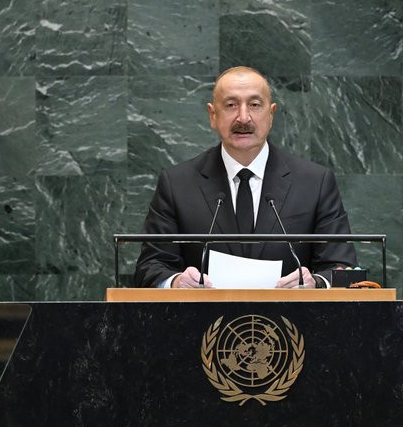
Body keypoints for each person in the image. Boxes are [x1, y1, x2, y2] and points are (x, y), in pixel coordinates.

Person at [133, 67, 357, 289]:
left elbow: (342, 267)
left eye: (254, 105)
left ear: (271, 114)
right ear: (213, 115)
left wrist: (316, 283)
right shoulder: (177, 184)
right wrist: (176, 282)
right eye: (231, 105)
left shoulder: (315, 182)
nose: (243, 117)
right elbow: (151, 267)